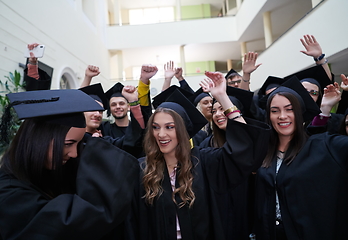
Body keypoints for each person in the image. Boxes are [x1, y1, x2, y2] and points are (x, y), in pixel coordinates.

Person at [127, 71, 271, 240]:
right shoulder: (143, 169)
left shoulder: (204, 162)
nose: (161, 134)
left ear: (183, 130)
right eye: (156, 127)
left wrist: (223, 97)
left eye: (170, 127)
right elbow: (133, 223)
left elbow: (245, 150)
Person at [0, 89, 139, 239]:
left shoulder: (45, 171)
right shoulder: (8, 196)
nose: (74, 153)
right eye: (68, 144)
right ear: (39, 140)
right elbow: (65, 227)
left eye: (78, 144)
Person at [253, 75, 348, 239]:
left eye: (290, 109)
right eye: (275, 111)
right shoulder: (264, 153)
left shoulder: (324, 145)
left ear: (300, 113)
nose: (282, 116)